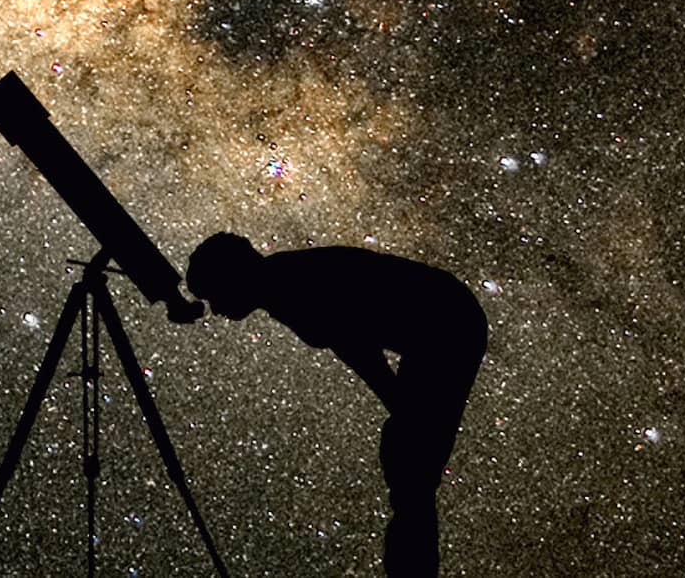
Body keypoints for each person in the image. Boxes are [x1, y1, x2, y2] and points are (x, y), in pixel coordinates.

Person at [187, 232, 487, 578]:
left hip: (447, 324)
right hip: (444, 319)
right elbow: (354, 338)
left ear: (231, 277)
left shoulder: (286, 288)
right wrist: (399, 404)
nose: (216, 309)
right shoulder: (280, 280)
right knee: (410, 463)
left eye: (213, 295)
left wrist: (396, 401)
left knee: (410, 466)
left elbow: (354, 340)